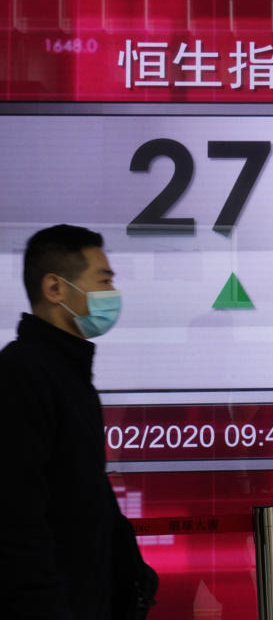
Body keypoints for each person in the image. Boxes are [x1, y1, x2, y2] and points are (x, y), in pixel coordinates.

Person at [0, 225, 157, 619]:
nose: (112, 294)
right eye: (103, 280)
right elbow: (18, 514)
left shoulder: (67, 375)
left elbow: (84, 491)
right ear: (56, 289)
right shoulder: (21, 374)